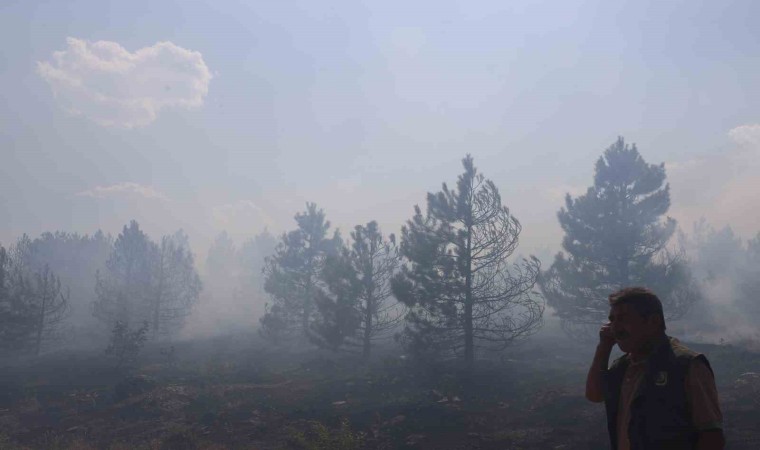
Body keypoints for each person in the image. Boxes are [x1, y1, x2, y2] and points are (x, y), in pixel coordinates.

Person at [585, 287, 724, 450]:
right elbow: (594, 395)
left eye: (623, 319)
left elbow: (711, 436)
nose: (615, 327)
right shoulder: (623, 367)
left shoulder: (687, 365)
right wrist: (604, 346)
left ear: (654, 321)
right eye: (612, 320)